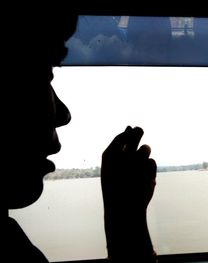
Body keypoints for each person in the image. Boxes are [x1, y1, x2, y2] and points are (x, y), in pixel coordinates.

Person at [3, 7, 157, 263]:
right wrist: (126, 221)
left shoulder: (8, 243)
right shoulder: (7, 253)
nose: (64, 114)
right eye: (43, 75)